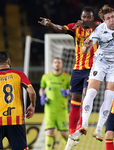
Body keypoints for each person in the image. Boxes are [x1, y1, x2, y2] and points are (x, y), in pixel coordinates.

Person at [38, 6, 100, 150]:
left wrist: (89, 24)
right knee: (75, 102)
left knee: (86, 95)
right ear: (81, 16)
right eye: (84, 17)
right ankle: (73, 132)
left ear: (92, 17)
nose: (86, 19)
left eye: (89, 17)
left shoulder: (97, 28)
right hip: (77, 70)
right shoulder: (75, 28)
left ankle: (81, 126)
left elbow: (104, 26)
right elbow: (61, 29)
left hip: (93, 69)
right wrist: (50, 24)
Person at [79, 5, 114, 142]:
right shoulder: (99, 30)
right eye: (108, 19)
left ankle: (99, 128)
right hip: (100, 62)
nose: (111, 20)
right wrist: (86, 46)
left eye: (112, 17)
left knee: (110, 94)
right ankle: (84, 124)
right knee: (91, 92)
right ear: (104, 21)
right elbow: (84, 50)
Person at [0, 51, 36, 150]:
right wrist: (32, 105)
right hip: (16, 119)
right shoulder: (19, 74)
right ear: (9, 61)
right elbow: (32, 92)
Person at [39, 58, 71, 150]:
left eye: (59, 62)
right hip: (50, 110)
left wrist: (68, 92)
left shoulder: (67, 77)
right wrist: (42, 97)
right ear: (52, 65)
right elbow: (41, 89)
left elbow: (73, 91)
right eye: (55, 62)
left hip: (62, 110)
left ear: (62, 65)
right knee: (49, 132)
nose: (57, 64)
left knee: (64, 134)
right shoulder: (46, 77)